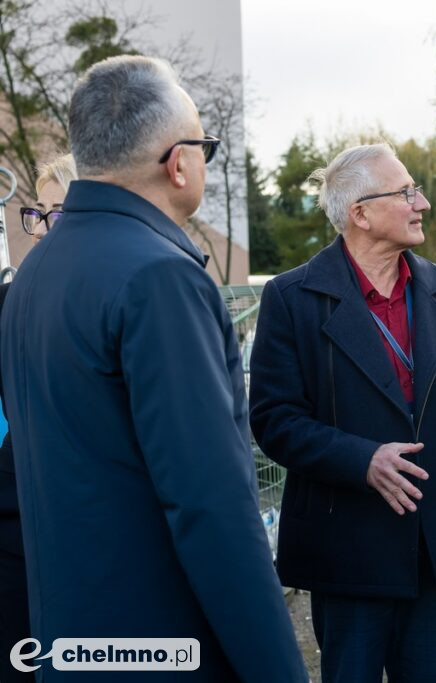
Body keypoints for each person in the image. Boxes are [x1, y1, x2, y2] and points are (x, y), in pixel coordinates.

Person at [0, 55, 307, 681]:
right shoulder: (160, 276)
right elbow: (211, 506)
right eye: (205, 146)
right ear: (179, 162)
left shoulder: (36, 272)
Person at [248, 143, 436, 683]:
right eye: (405, 192)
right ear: (360, 213)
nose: (421, 202)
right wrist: (362, 460)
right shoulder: (292, 298)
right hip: (348, 545)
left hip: (435, 539)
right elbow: (274, 420)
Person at [0, 153, 76, 682]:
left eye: (60, 212)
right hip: (13, 530)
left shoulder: (119, 299)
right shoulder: (8, 301)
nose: (44, 228)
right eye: (39, 212)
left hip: (83, 533)